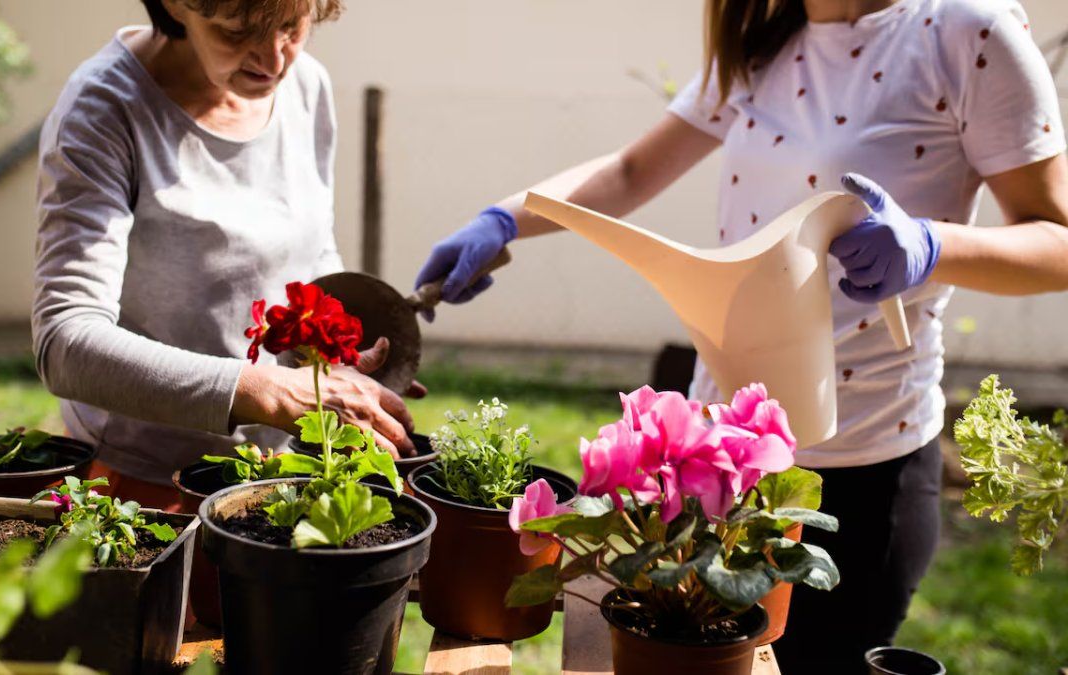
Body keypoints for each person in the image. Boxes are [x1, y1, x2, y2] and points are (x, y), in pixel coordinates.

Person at [414, 0, 1068, 671]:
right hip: (715, 459)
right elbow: (633, 173)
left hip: (865, 471)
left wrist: (932, 246)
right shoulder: (763, 44)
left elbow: (1058, 242)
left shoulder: (966, 30)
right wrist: (505, 218)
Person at [33, 0, 419, 512]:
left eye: (291, 25)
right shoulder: (103, 110)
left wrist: (337, 358)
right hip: (145, 488)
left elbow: (310, 253)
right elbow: (66, 342)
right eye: (239, 31)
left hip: (285, 472)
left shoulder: (306, 86)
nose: (276, 60)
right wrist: (274, 392)